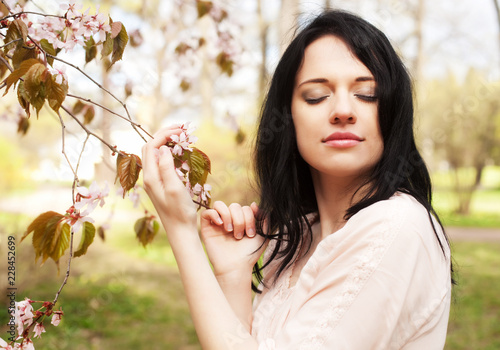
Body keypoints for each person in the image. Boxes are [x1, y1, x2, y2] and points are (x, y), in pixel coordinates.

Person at [141, 9, 453, 350]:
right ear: (288, 118)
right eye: (316, 96)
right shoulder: (297, 238)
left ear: (392, 111)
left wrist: (181, 229)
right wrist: (233, 276)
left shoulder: (394, 226)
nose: (343, 110)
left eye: (366, 93)